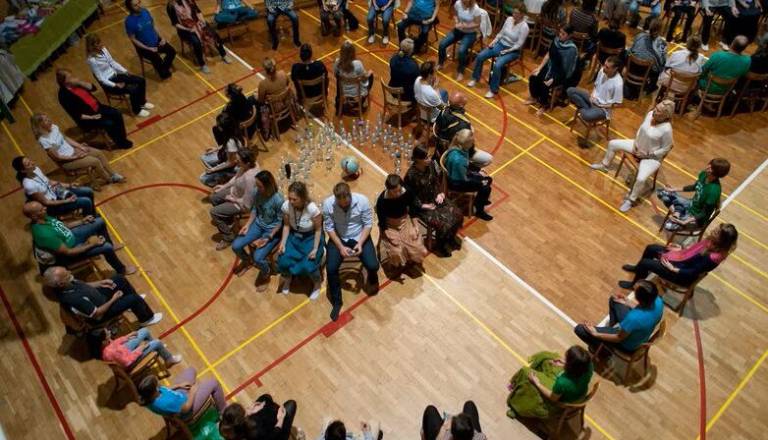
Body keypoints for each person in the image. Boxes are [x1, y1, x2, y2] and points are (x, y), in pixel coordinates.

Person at [590, 100, 674, 212]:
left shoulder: (667, 129)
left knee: (641, 178)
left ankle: (631, 200)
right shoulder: (650, 114)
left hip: (651, 157)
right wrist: (636, 144)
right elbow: (641, 129)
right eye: (656, 108)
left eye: (658, 111)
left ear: (665, 116)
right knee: (612, 144)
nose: (655, 111)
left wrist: (648, 154)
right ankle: (604, 165)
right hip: (637, 147)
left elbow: (666, 148)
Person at [25, 201, 137, 275]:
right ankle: (122, 270)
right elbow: (69, 252)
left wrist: (82, 221)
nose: (45, 208)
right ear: (34, 216)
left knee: (99, 221)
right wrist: (91, 244)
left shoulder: (44, 217)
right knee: (106, 247)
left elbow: (62, 226)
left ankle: (111, 246)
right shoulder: (45, 234)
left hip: (71, 236)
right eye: (41, 209)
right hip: (72, 251)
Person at [618, 223, 738, 291]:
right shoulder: (712, 242)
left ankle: (634, 285)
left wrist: (673, 268)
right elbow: (693, 253)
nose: (713, 231)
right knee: (651, 248)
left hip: (681, 275)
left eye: (716, 232)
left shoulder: (712, 258)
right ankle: (638, 270)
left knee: (645, 262)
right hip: (683, 262)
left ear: (722, 240)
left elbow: (693, 272)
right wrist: (681, 249)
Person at [323, 182, 380, 321]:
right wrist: (341, 247)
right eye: (340, 202)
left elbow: (368, 224)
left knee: (373, 265)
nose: (344, 204)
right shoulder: (328, 204)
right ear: (335, 198)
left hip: (359, 236)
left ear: (350, 195)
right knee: (331, 269)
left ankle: (372, 276)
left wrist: (360, 243)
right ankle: (337, 302)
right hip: (339, 238)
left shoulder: (363, 201)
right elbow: (329, 228)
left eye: (346, 201)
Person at [43, 266, 160, 325]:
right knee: (134, 298)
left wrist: (101, 283)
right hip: (103, 312)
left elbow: (84, 286)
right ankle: (146, 319)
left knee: (120, 279)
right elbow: (97, 314)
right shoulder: (74, 299)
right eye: (67, 274)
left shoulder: (68, 282)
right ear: (61, 284)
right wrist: (114, 299)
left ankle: (133, 306)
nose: (70, 273)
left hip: (100, 297)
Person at [31, 113, 125, 186]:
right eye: (46, 120)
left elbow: (66, 138)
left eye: (48, 118)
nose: (49, 120)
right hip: (67, 161)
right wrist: (76, 157)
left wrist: (80, 147)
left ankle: (113, 174)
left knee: (99, 153)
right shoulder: (44, 140)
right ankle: (109, 179)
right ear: (40, 125)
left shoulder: (54, 127)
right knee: (95, 161)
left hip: (74, 151)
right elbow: (58, 157)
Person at [404, 146, 463, 256]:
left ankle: (450, 238)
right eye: (426, 158)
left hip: (434, 197)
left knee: (457, 214)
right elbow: (409, 196)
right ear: (417, 159)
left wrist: (440, 193)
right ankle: (440, 245)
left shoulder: (431, 165)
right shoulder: (410, 175)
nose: (429, 159)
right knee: (443, 223)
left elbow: (436, 180)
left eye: (429, 156)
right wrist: (423, 205)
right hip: (421, 205)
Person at [505, 346, 593, 419]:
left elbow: (552, 398)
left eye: (566, 358)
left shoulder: (563, 382)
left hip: (559, 402)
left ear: (571, 365)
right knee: (547, 357)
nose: (564, 358)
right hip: (573, 391)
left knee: (526, 372)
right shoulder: (588, 366)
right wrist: (564, 364)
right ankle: (533, 373)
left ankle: (516, 407)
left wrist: (537, 383)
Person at [574, 280, 663, 352]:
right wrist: (627, 302)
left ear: (640, 298)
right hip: (639, 335)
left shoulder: (634, 318)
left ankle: (605, 352)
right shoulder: (658, 301)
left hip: (626, 344)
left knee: (580, 329)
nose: (633, 290)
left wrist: (596, 334)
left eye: (634, 290)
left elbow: (618, 338)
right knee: (614, 299)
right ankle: (611, 328)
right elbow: (644, 310)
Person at [231, 171, 284, 290]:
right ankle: (247, 261)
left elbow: (281, 222)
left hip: (272, 232)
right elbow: (255, 209)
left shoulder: (278, 200)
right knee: (235, 246)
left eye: (260, 186)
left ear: (268, 185)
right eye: (257, 185)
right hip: (258, 225)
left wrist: (268, 237)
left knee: (258, 257)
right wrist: (248, 225)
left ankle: (266, 273)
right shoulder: (257, 192)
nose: (257, 188)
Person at [56, 69, 133, 149]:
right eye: (70, 77)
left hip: (98, 107)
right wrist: (92, 117)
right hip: (88, 117)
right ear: (64, 81)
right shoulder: (63, 95)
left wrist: (81, 83)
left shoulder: (77, 84)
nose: (73, 78)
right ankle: (120, 143)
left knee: (117, 114)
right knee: (109, 123)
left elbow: (93, 88)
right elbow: (76, 114)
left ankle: (122, 138)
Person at [276, 181, 324, 299]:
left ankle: (317, 283)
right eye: (289, 198)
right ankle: (288, 277)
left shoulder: (312, 209)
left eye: (294, 199)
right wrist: (283, 243)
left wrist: (315, 249)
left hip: (310, 237)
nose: (291, 202)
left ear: (303, 198)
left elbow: (318, 230)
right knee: (283, 260)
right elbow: (286, 226)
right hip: (294, 236)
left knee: (309, 265)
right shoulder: (286, 206)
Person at [85, 34, 153, 117]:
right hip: (109, 82)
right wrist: (115, 85)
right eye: (97, 44)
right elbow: (100, 78)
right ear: (91, 47)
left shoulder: (104, 49)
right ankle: (137, 110)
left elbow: (112, 62)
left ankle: (142, 102)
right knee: (133, 89)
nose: (100, 44)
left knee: (141, 80)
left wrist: (124, 71)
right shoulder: (92, 60)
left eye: (99, 42)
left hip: (116, 75)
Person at [468, 6, 529, 98]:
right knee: (480, 56)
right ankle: (475, 78)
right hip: (500, 44)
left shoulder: (524, 27)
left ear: (522, 14)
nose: (513, 14)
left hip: (512, 50)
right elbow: (501, 33)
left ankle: (493, 90)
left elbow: (519, 44)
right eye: (513, 12)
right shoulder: (509, 19)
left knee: (497, 65)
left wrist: (507, 51)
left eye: (516, 13)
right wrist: (493, 42)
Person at [656, 158, 730, 231]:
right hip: (690, 204)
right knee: (661, 192)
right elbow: (694, 187)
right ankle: (677, 213)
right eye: (710, 164)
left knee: (668, 226)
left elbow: (704, 213)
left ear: (717, 173)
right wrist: (673, 189)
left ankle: (678, 212)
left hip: (696, 217)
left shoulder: (714, 191)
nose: (708, 167)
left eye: (711, 168)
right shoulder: (704, 174)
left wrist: (686, 221)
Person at [375, 174, 427, 275]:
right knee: (396, 250)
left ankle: (411, 259)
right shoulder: (382, 200)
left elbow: (412, 209)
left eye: (399, 190)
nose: (398, 193)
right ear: (388, 189)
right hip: (390, 225)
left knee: (416, 244)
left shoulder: (406, 191)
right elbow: (382, 222)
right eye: (394, 192)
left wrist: (415, 226)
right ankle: (397, 265)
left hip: (404, 221)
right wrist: (389, 235)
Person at [566, 56, 624, 146]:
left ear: (615, 69)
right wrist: (592, 96)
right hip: (592, 99)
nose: (604, 68)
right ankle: (587, 108)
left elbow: (617, 104)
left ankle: (585, 109)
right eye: (604, 65)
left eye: (607, 67)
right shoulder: (602, 70)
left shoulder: (618, 83)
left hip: (602, 109)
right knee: (570, 90)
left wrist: (601, 106)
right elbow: (596, 85)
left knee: (586, 116)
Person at [210, 149, 260, 250]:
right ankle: (228, 220)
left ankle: (228, 237)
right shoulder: (247, 165)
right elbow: (237, 177)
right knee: (214, 198)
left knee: (214, 212)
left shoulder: (250, 179)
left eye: (238, 160)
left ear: (247, 163)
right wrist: (224, 187)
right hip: (235, 193)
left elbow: (247, 205)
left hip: (240, 204)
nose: (236, 161)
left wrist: (232, 199)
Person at [12, 156, 95, 217]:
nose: (32, 163)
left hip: (56, 192)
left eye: (30, 160)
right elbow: (46, 202)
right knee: (86, 201)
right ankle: (90, 220)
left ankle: (91, 214)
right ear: (23, 170)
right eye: (28, 164)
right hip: (53, 205)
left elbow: (49, 182)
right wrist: (67, 201)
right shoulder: (29, 185)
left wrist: (69, 185)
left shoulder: (36, 169)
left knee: (88, 191)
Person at [525, 25, 579, 115]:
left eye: (563, 34)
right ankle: (535, 97)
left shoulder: (571, 50)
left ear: (569, 36)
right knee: (534, 77)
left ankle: (544, 105)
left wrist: (553, 79)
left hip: (561, 74)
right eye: (560, 32)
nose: (560, 35)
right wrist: (539, 68)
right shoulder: (556, 41)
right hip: (550, 67)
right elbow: (548, 55)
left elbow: (566, 70)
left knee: (545, 84)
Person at [168, 0, 230, 74]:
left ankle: (223, 54)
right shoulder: (171, 6)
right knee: (196, 42)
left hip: (197, 23)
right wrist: (188, 29)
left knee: (214, 34)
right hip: (185, 29)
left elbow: (198, 12)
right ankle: (202, 64)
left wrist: (203, 21)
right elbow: (176, 24)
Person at [433, 93, 494, 169]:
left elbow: (438, 125)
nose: (466, 97)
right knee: (489, 159)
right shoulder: (463, 124)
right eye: (464, 97)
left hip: (442, 140)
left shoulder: (444, 109)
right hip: (456, 149)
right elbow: (467, 147)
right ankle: (470, 167)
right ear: (460, 105)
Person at [444, 129, 493, 221]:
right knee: (486, 187)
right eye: (471, 142)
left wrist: (478, 171)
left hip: (461, 175)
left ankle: (481, 199)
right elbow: (463, 179)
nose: (473, 143)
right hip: (457, 183)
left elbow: (467, 165)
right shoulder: (458, 160)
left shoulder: (459, 148)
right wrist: (477, 176)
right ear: (466, 144)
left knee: (488, 180)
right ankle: (479, 210)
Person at [138, 367, 226, 418]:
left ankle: (199, 391)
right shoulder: (166, 403)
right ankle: (223, 412)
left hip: (179, 397)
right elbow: (186, 408)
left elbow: (165, 389)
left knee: (191, 370)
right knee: (214, 383)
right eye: (158, 383)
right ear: (155, 389)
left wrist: (179, 385)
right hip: (188, 408)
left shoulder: (148, 396)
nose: (160, 383)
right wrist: (192, 392)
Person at [125, 0, 176, 79]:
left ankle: (162, 67)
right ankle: (162, 68)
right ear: (130, 8)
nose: (139, 6)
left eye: (139, 3)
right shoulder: (129, 22)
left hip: (156, 40)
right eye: (135, 5)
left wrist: (161, 38)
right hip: (145, 47)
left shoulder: (145, 11)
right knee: (165, 75)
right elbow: (133, 39)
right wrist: (148, 48)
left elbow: (153, 26)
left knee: (172, 51)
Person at [437, 0, 482, 81]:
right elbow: (454, 14)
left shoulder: (476, 9)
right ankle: (441, 62)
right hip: (458, 30)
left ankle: (461, 71)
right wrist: (457, 21)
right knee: (442, 44)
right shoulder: (458, 3)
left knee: (461, 51)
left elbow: (477, 23)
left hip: (470, 33)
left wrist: (465, 26)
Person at [201, 112, 245, 187]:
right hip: (227, 156)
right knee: (204, 157)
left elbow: (231, 163)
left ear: (223, 128)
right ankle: (219, 174)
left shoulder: (230, 142)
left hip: (233, 166)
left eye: (218, 125)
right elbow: (226, 146)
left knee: (203, 178)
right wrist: (216, 149)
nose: (216, 125)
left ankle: (225, 177)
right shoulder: (234, 131)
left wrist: (214, 169)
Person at [101, 327, 182, 367]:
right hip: (131, 359)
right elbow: (128, 362)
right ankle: (169, 359)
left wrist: (127, 337)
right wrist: (140, 349)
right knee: (157, 342)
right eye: (107, 333)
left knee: (145, 331)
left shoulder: (106, 345)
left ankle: (156, 347)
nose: (109, 332)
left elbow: (115, 343)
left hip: (124, 350)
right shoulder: (111, 353)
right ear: (103, 341)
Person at [627, 19, 667, 92]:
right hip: (647, 71)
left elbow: (631, 50)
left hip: (633, 66)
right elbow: (662, 62)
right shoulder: (662, 43)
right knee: (660, 67)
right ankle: (651, 86)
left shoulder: (640, 36)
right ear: (661, 30)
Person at [333, 42, 374, 108]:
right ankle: (361, 101)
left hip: (343, 90)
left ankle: (340, 100)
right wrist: (369, 73)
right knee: (370, 75)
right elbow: (364, 78)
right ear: (353, 52)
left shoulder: (337, 62)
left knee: (339, 78)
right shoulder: (358, 64)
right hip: (356, 92)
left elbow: (335, 75)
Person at [421, 401, 486, 440]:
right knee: (469, 404)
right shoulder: (481, 437)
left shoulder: (445, 437)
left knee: (430, 410)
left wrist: (444, 427)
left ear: (452, 434)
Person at [389, 38, 420, 102]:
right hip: (406, 95)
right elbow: (418, 79)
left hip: (393, 89)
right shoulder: (413, 66)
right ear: (411, 51)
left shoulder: (393, 59)